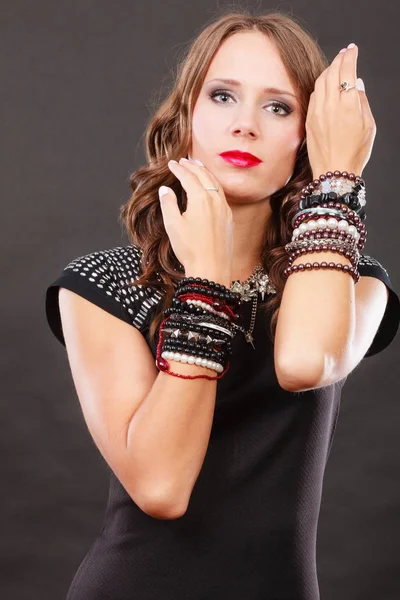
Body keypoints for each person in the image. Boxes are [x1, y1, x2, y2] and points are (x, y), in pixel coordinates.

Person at [45, 9, 400, 600]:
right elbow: (161, 487)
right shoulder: (102, 285)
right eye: (222, 96)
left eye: (278, 107)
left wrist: (337, 177)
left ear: (307, 134)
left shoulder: (353, 281)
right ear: (186, 118)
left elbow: (304, 363)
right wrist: (205, 280)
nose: (245, 126)